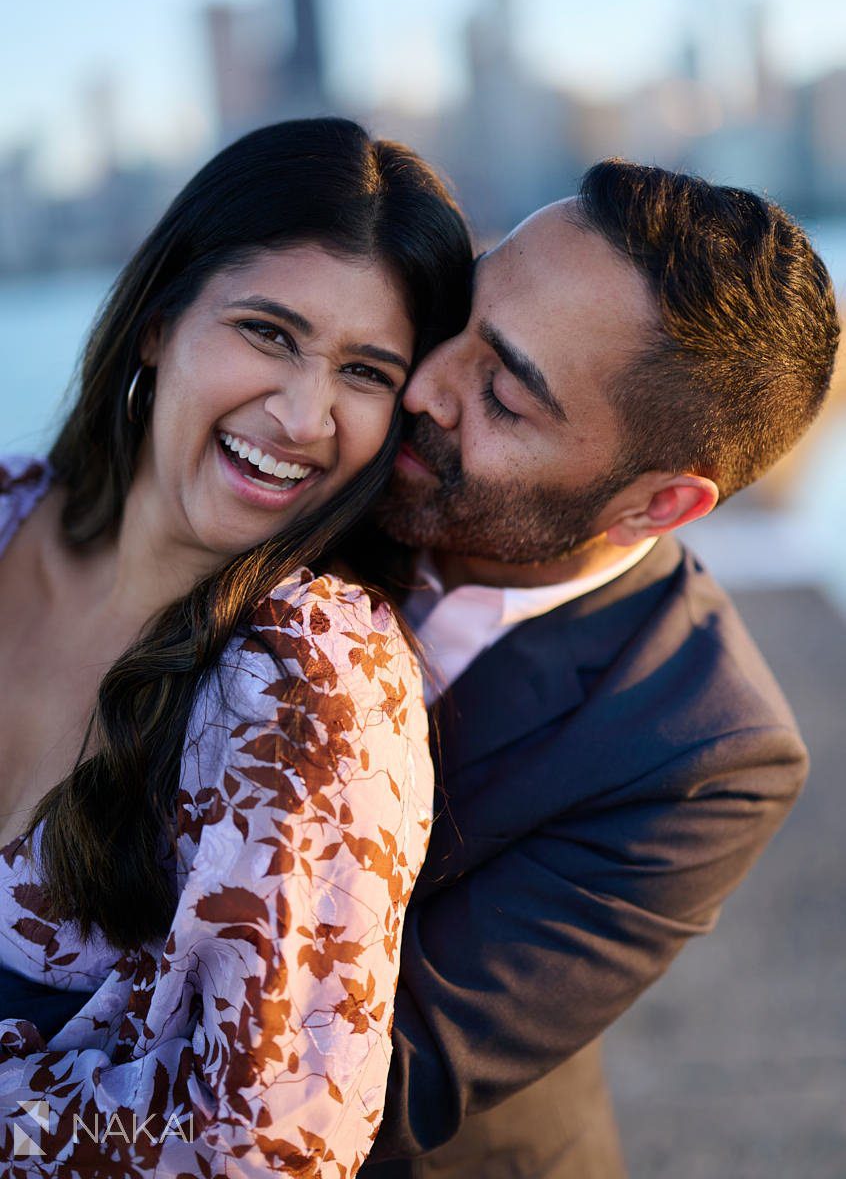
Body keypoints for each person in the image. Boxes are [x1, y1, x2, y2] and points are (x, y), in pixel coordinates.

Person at [0, 117, 472, 1176]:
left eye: (364, 370)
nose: (304, 415)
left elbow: (262, 1146)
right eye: (267, 332)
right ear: (159, 319)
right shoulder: (7, 504)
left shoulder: (316, 680)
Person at [359, 161, 841, 1177]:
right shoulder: (342, 449)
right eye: (463, 313)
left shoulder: (707, 753)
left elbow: (387, 1074)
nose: (421, 385)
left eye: (501, 393)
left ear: (655, 507)